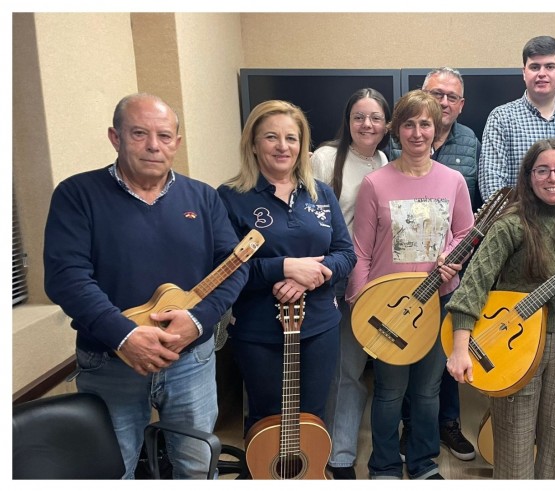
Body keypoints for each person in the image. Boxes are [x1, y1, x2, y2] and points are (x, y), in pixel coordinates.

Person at [43, 93, 248, 479]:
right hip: (109, 361)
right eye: (139, 133)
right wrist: (124, 336)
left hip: (191, 361)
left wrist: (198, 321)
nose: (154, 145)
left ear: (177, 143)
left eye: (164, 136)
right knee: (114, 469)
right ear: (115, 137)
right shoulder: (77, 195)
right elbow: (65, 277)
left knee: (197, 467)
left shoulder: (203, 197)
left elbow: (234, 268)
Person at [446, 138, 555, 479]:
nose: (553, 178)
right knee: (513, 444)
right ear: (529, 176)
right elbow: (473, 286)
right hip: (512, 348)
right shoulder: (510, 225)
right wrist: (460, 349)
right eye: (543, 170)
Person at [346, 89, 474, 480]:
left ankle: (423, 462)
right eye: (409, 124)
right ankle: (383, 464)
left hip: (437, 305)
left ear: (436, 132)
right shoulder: (375, 183)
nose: (417, 132)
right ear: (395, 130)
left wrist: (452, 259)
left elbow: (466, 232)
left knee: (427, 392)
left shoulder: (453, 181)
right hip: (387, 309)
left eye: (425, 124)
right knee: (388, 392)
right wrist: (361, 304)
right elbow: (360, 251)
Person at [218, 100, 356, 438]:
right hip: (258, 330)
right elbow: (224, 270)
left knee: (312, 418)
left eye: (292, 138)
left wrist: (309, 278)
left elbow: (346, 254)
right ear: (253, 143)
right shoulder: (230, 197)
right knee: (265, 419)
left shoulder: (320, 193)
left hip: (319, 327)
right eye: (271, 137)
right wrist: (283, 267)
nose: (283, 147)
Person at [387, 67, 479, 462]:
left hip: (449, 270)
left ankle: (446, 426)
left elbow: (471, 207)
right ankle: (407, 434)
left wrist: (457, 256)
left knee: (442, 358)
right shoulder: (392, 154)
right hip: (400, 280)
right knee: (403, 365)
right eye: (435, 94)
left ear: (460, 105)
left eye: (451, 97)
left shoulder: (469, 141)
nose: (443, 103)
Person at [312, 88, 391, 480]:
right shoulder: (324, 159)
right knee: (337, 370)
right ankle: (335, 455)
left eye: (375, 117)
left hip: (369, 282)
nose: (367, 125)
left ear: (386, 124)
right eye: (359, 117)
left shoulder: (382, 160)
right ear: (348, 121)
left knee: (355, 369)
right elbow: (308, 218)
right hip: (328, 279)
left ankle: (340, 451)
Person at [478, 35, 555, 202]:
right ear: (524, 72)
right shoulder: (501, 118)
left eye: (550, 66)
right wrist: (512, 225)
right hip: (518, 224)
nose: (542, 74)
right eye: (534, 67)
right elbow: (492, 185)